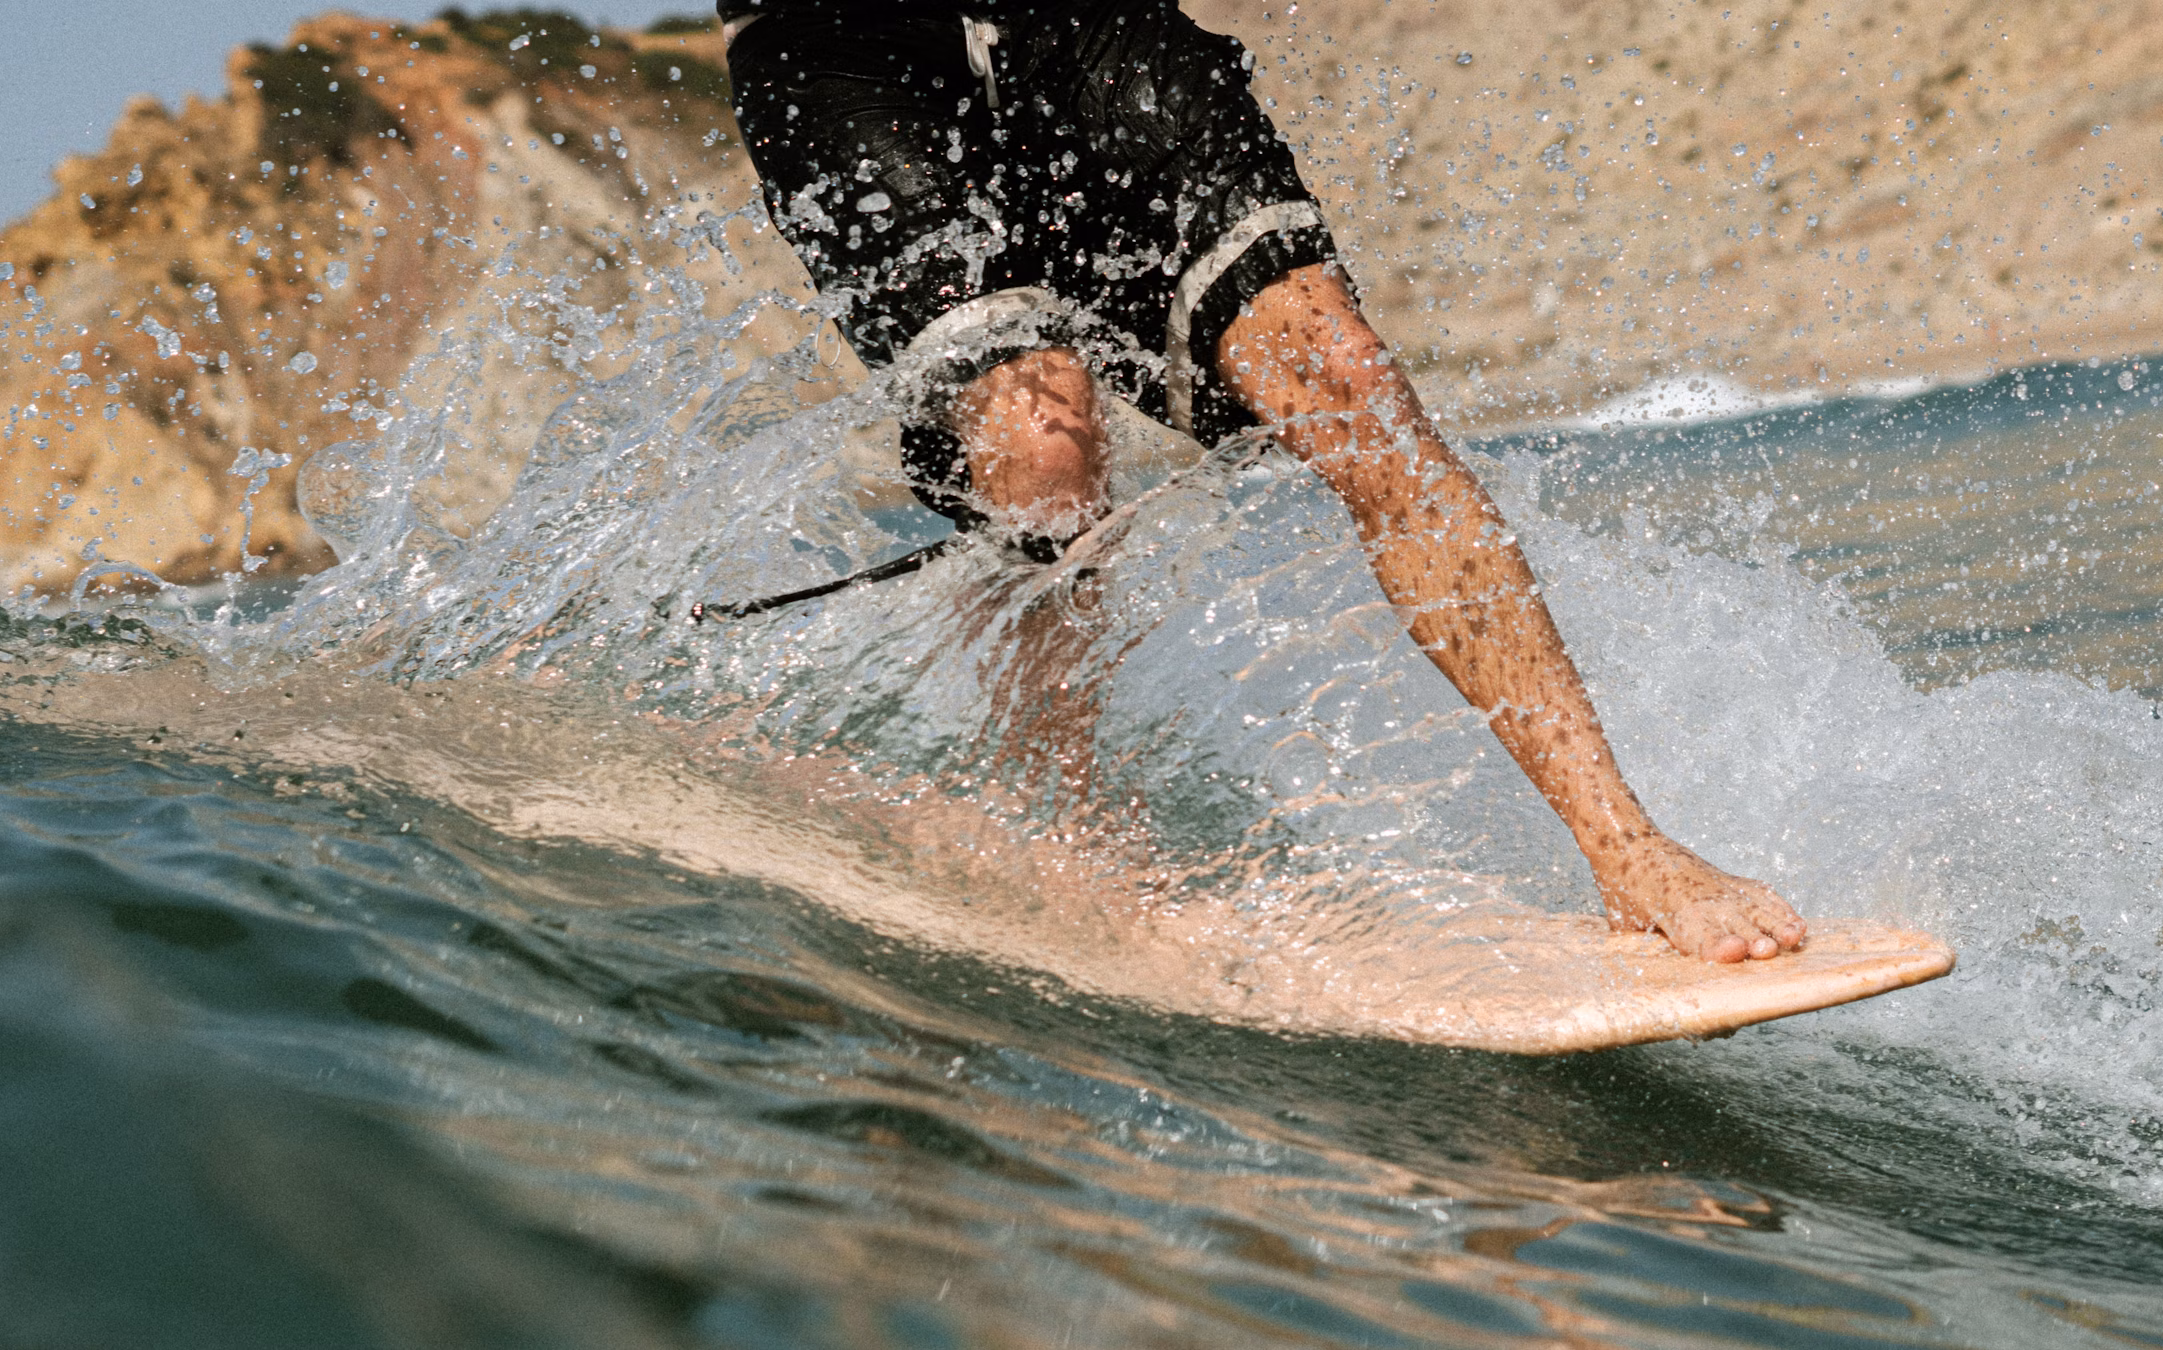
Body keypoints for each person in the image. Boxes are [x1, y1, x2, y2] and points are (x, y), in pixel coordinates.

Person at [715, 0, 1806, 962]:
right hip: (840, 45)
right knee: (1042, 448)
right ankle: (1059, 825)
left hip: (1086, 25)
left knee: (1348, 380)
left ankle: (1628, 849)